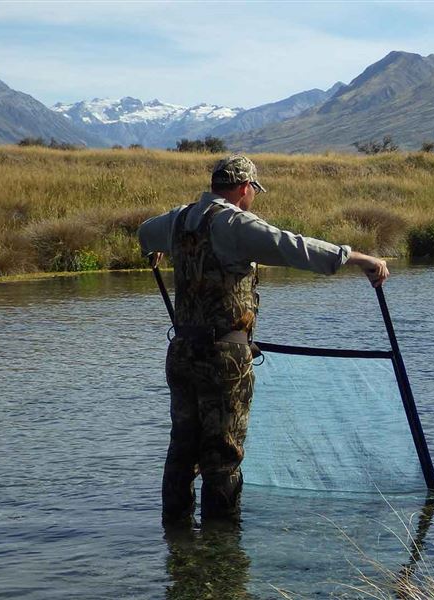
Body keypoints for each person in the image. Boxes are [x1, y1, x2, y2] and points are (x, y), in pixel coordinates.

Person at [138, 154, 389, 524]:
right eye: (253, 190)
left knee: (182, 450)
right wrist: (357, 258)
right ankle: (222, 550)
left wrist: (158, 245)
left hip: (182, 353)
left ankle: (176, 539)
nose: (253, 197)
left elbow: (145, 232)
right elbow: (293, 246)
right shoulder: (235, 224)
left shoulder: (179, 218)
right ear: (244, 188)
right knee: (222, 456)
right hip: (223, 358)